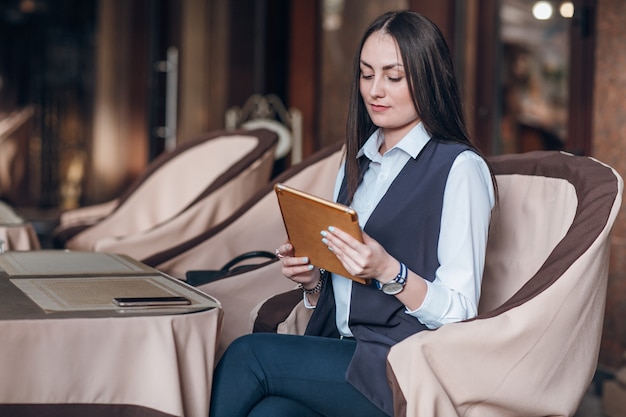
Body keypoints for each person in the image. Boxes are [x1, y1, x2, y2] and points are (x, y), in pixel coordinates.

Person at [209, 10, 496, 417]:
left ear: (428, 78)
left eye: (393, 77)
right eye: (366, 74)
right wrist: (312, 282)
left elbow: (460, 310)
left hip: (400, 364)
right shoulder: (357, 159)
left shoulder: (460, 168)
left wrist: (389, 272)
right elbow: (343, 292)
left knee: (249, 356)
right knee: (269, 413)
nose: (375, 90)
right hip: (341, 349)